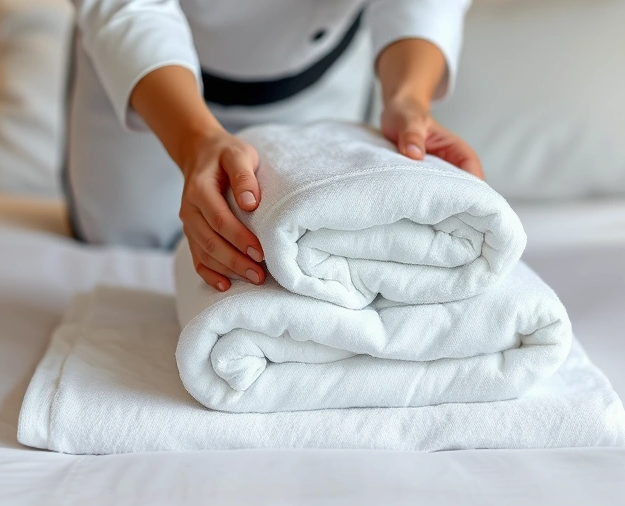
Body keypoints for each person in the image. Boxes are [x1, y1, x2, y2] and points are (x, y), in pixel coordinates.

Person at [67, 0, 482, 291]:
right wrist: (194, 140)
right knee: (118, 254)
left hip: (313, 85)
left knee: (305, 253)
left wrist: (408, 98)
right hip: (146, 82)